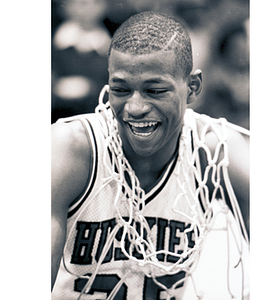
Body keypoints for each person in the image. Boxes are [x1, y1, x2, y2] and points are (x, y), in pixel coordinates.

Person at [51, 11, 250, 300]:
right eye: (120, 90)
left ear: (193, 87)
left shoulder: (214, 146)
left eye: (154, 91)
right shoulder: (71, 147)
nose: (134, 107)